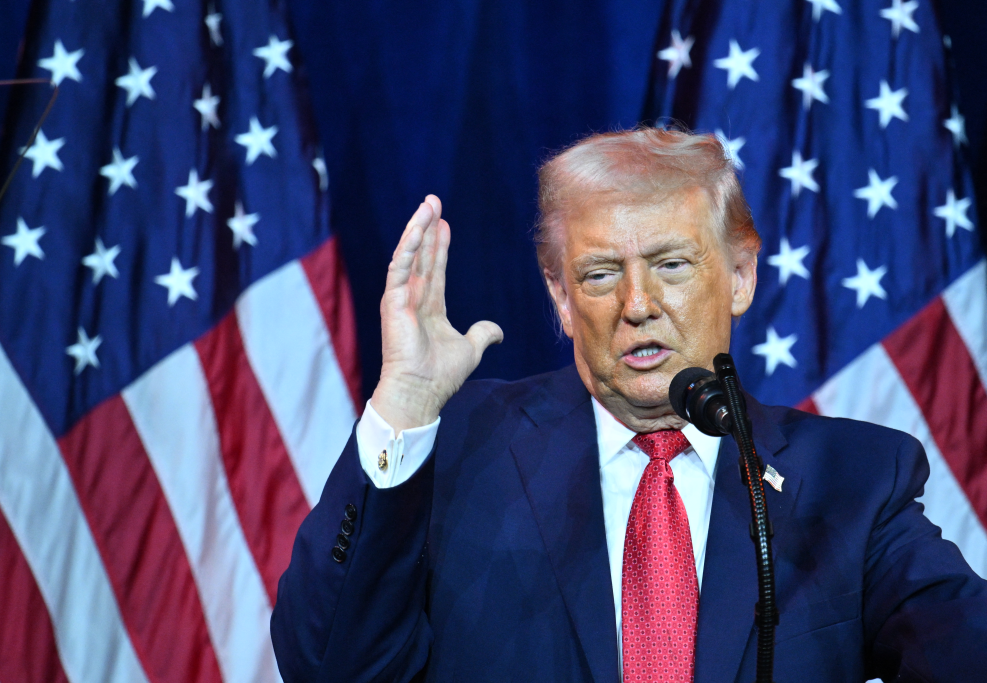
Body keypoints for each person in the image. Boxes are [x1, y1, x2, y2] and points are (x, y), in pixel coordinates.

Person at [270, 128, 987, 682]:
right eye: (601, 272)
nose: (636, 304)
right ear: (560, 296)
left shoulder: (853, 481)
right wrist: (405, 403)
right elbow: (328, 663)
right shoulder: (455, 447)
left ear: (740, 275)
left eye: (671, 265)